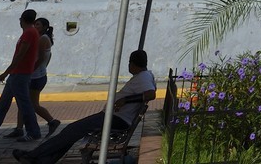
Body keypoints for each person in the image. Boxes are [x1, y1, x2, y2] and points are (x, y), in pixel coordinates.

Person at [12, 49, 155, 164]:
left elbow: (151, 94)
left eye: (129, 63)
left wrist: (126, 100)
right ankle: (43, 159)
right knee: (71, 132)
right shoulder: (143, 76)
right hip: (113, 117)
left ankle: (33, 156)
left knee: (72, 130)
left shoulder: (144, 77)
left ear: (133, 64)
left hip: (117, 119)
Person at [0, 8, 41, 143]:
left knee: (24, 104)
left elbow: (20, 55)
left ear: (22, 20)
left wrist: (6, 72)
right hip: (17, 74)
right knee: (3, 104)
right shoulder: (31, 32)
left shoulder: (29, 33)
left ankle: (33, 132)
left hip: (19, 74)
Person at [1, 17, 58, 138]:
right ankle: (19, 128)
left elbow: (41, 58)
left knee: (31, 104)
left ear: (43, 27)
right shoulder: (42, 38)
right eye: (34, 24)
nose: (35, 26)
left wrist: (30, 70)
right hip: (36, 76)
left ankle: (52, 121)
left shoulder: (42, 39)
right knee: (22, 102)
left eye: (37, 24)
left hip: (36, 77)